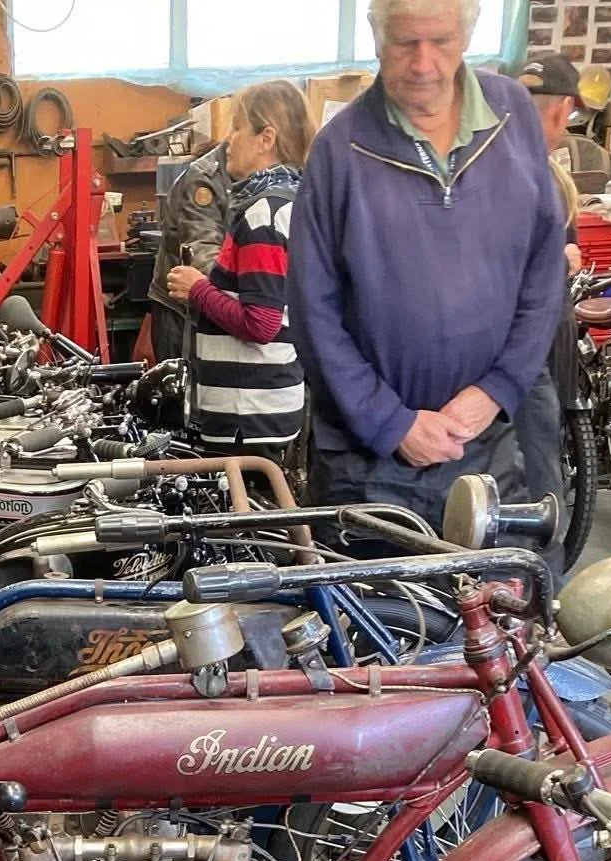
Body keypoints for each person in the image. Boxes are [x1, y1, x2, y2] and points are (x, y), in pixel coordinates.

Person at [287, 0, 568, 532]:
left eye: (439, 42)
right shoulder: (339, 150)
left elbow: (542, 268)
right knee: (382, 615)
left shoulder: (513, 117)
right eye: (404, 43)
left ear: (467, 36)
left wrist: (498, 389)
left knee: (505, 607)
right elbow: (311, 312)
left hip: (491, 444)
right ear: (375, 37)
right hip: (371, 463)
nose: (422, 64)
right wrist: (391, 423)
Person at [164, 82, 315, 452]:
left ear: (266, 138)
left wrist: (198, 288)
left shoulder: (263, 213)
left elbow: (261, 323)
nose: (228, 140)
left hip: (248, 414)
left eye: (237, 127)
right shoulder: (289, 201)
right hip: (257, 408)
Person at [514, 55, 590, 570]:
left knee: (531, 479)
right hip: (526, 354)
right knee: (539, 483)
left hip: (510, 355)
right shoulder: (537, 177)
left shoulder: (487, 169)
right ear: (564, 110)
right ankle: (540, 601)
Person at [148, 140, 230, 365]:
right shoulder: (203, 179)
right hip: (178, 309)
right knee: (178, 384)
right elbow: (200, 253)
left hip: (207, 302)